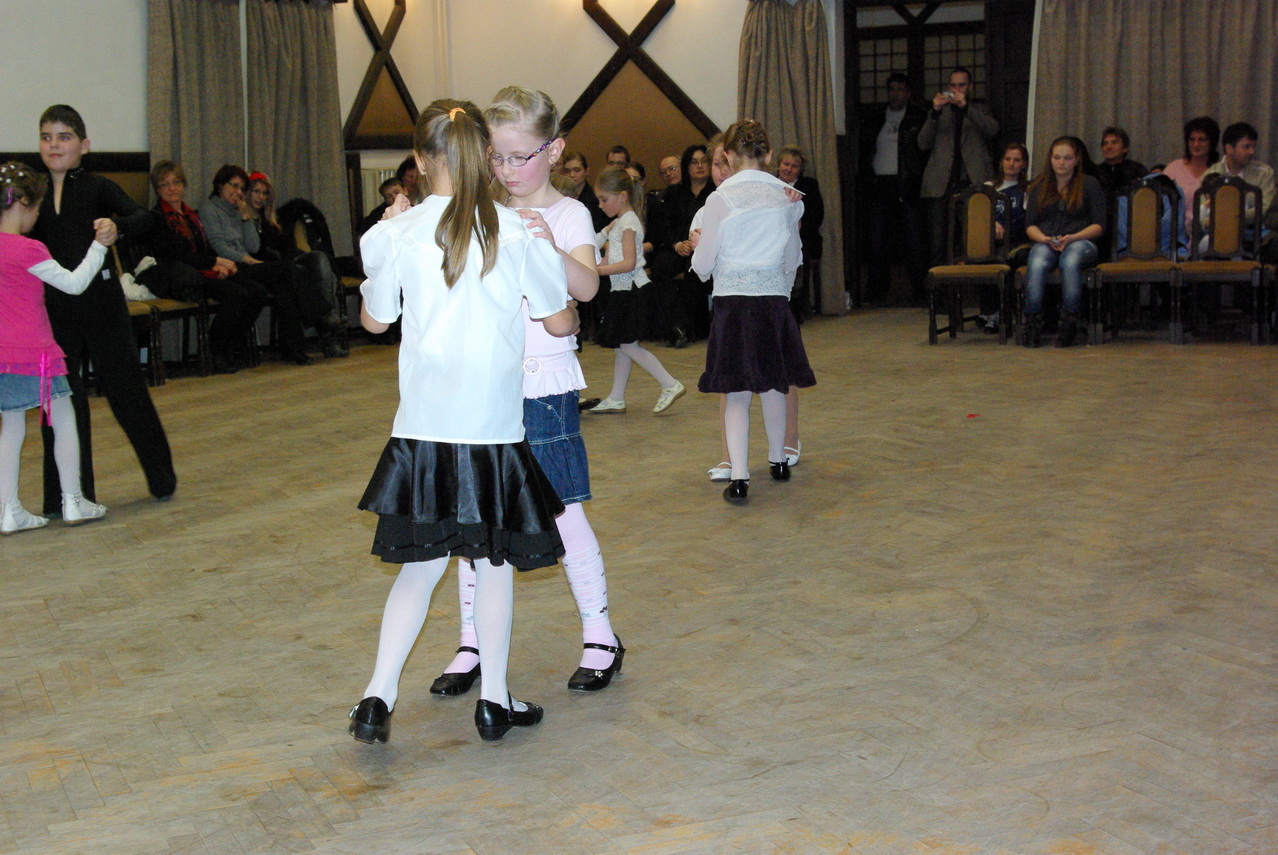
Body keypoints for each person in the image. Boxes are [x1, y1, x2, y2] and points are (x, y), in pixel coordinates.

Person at [349, 99, 579, 745]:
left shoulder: (395, 233)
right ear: (483, 155)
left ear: (420, 161)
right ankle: (494, 701)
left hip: (422, 431)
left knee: (420, 568)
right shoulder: (516, 231)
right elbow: (559, 319)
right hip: (491, 434)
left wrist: (389, 237)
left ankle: (376, 696)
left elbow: (374, 321)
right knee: (493, 565)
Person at [428, 85, 624, 698]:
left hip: (543, 383)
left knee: (562, 509)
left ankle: (600, 633)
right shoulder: (484, 211)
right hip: (486, 385)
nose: (507, 170)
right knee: (475, 517)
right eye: (497, 158)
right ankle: (471, 640)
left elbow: (587, 289)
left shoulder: (570, 214)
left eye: (521, 157)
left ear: (555, 149)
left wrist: (547, 245)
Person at [31, 105, 177, 516]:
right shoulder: (34, 192)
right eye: (46, 137)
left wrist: (117, 227)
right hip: (54, 309)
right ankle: (66, 495)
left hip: (102, 304)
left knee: (125, 389)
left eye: (64, 137)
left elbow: (144, 217)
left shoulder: (98, 187)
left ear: (84, 145)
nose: (54, 145)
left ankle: (161, 477)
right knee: (59, 398)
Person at [691, 119, 815, 504]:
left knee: (738, 391)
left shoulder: (720, 199)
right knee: (774, 382)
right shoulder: (788, 197)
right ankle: (778, 460)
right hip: (773, 302)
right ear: (770, 154)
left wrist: (698, 250)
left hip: (733, 304)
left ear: (728, 155)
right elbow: (793, 257)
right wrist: (779, 288)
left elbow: (704, 264)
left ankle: (740, 477)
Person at [0, 161, 110, 534]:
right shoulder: (28, 249)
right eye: (36, 209)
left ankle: (8, 509)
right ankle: (73, 501)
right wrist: (99, 247)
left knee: (11, 426)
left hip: (2, 355)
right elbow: (74, 284)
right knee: (63, 419)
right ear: (24, 204)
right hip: (38, 352)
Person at [140, 160, 267, 374]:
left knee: (257, 291)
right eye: (165, 184)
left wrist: (218, 264)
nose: (172, 188)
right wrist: (215, 262)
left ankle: (232, 344)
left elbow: (204, 248)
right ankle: (215, 350)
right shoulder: (157, 218)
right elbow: (176, 257)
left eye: (176, 182)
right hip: (181, 278)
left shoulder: (191, 215)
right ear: (157, 189)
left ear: (183, 185)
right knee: (236, 294)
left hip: (203, 270)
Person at [200, 164, 328, 365]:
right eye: (233, 185)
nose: (238, 192)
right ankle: (322, 316)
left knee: (285, 287)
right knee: (287, 269)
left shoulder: (237, 211)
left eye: (241, 188)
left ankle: (293, 348)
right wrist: (248, 260)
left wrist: (245, 217)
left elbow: (253, 245)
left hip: (246, 265)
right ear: (220, 185)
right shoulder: (210, 209)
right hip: (230, 266)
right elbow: (219, 246)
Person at [586, 167, 686, 416]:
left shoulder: (629, 223)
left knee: (629, 346)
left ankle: (669, 383)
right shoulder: (620, 223)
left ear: (622, 196)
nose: (600, 205)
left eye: (604, 199)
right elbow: (607, 256)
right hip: (622, 290)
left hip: (632, 291)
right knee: (622, 345)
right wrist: (599, 251)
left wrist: (597, 271)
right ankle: (616, 397)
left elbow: (629, 263)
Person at [244, 172, 348, 358]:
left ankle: (328, 321)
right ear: (247, 193)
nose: (260, 197)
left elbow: (286, 247)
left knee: (320, 260)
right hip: (262, 268)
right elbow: (254, 250)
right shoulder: (242, 219)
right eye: (256, 192)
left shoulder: (270, 220)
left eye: (264, 193)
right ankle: (327, 324)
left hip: (285, 263)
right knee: (304, 274)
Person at [1021, 136, 1106, 348]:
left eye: (1067, 158)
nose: (1061, 162)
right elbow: (1030, 226)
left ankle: (1070, 321)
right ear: (1050, 159)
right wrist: (1043, 239)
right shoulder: (1039, 186)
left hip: (1081, 240)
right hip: (1047, 240)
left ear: (1076, 160)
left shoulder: (1090, 184)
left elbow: (1099, 225)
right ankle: (1032, 322)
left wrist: (1074, 237)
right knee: (1037, 260)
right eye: (1057, 157)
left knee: (1070, 260)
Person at [918, 67, 1000, 268]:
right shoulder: (938, 112)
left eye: (962, 85)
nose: (957, 90)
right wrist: (934, 112)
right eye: (953, 86)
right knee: (938, 242)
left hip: (972, 182)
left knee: (975, 240)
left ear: (970, 86)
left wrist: (966, 108)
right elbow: (922, 143)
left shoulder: (980, 109)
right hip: (941, 184)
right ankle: (938, 285)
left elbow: (993, 130)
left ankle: (975, 285)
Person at [860, 72, 928, 303]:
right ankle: (877, 292)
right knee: (877, 240)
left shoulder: (918, 116)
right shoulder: (875, 117)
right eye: (892, 89)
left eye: (900, 89)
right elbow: (865, 149)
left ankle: (919, 291)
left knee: (914, 240)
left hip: (908, 183)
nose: (895, 94)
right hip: (880, 184)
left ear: (908, 93)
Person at [977, 142, 1030, 334]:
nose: (1011, 163)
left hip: (1017, 242)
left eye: (1017, 160)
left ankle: (1005, 314)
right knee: (984, 258)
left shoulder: (1027, 190)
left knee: (1009, 259)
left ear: (1024, 164)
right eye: (1008, 159)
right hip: (989, 242)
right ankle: (991, 313)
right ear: (1001, 162)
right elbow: (976, 216)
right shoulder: (988, 187)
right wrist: (991, 222)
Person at [776, 146, 825, 319]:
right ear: (779, 164)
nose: (788, 169)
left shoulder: (809, 185)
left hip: (803, 238)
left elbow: (816, 216)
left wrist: (794, 231)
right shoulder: (769, 185)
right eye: (786, 164)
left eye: (794, 166)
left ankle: (796, 305)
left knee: (797, 253)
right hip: (774, 238)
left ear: (800, 169)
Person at [1203, 122, 1275, 227]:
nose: (1252, 151)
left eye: (1253, 146)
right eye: (1246, 147)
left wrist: (1232, 216)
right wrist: (1210, 222)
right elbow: (1200, 213)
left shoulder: (1264, 173)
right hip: (1216, 231)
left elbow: (1266, 208)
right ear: (1229, 149)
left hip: (1255, 233)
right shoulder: (1210, 174)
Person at [1162, 116, 1220, 237]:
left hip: (1209, 234)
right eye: (1192, 139)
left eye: (1202, 140)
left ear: (1212, 142)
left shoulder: (1218, 170)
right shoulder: (1173, 169)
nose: (1196, 144)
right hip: (1175, 234)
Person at [1096, 127, 1147, 199]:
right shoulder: (1095, 172)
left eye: (1114, 143)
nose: (1108, 147)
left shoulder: (1137, 171)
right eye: (1105, 143)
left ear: (1125, 148)